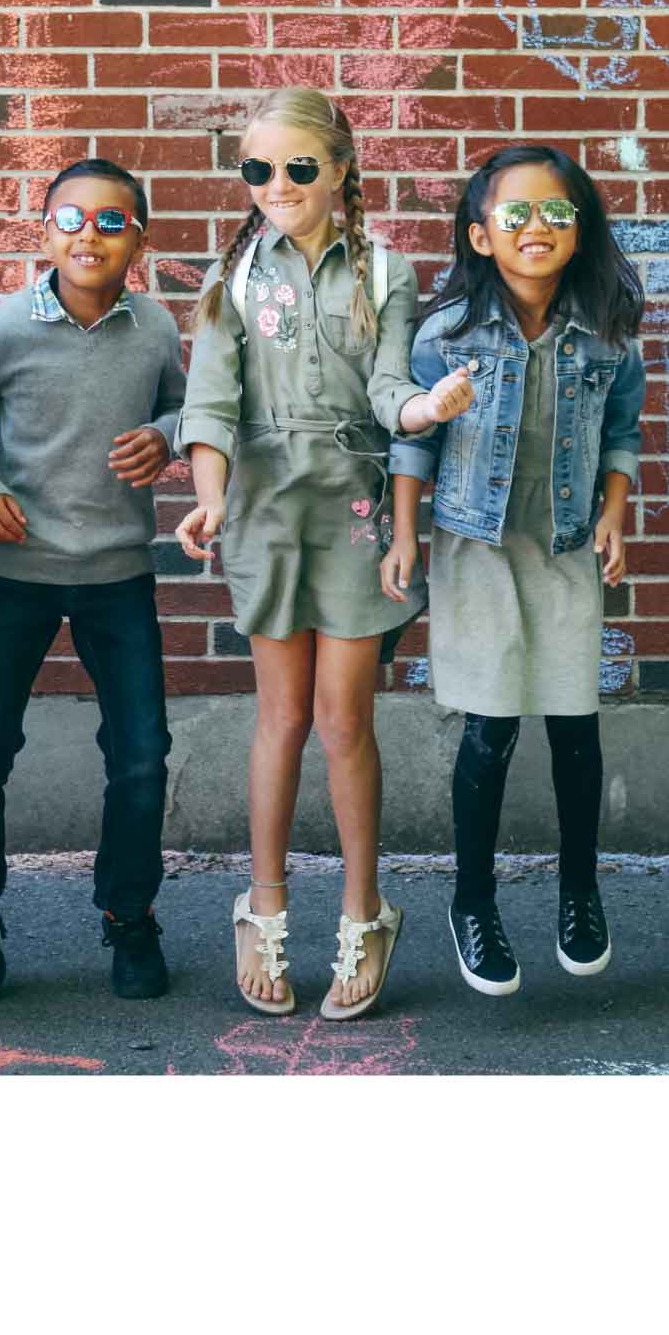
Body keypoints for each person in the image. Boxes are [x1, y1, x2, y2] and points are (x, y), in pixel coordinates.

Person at [174, 90, 432, 1019]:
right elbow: (209, 402)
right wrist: (210, 502)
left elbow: (396, 387)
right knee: (280, 717)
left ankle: (367, 906)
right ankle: (264, 903)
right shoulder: (234, 275)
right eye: (257, 170)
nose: (275, 185)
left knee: (343, 720)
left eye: (296, 168)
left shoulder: (387, 271)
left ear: (340, 170)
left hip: (356, 504)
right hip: (266, 506)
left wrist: (414, 480)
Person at [0, 159, 187, 1001]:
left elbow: (193, 407)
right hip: (20, 573)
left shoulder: (154, 329)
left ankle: (129, 917)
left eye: (112, 223)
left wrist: (167, 434)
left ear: (139, 241)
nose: (89, 236)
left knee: (142, 755)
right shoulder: (5, 328)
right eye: (71, 219)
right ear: (45, 232)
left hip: (119, 574)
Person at [390, 147, 645, 995]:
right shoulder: (447, 334)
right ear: (480, 234)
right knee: (492, 722)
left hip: (567, 534)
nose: (538, 228)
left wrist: (614, 509)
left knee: (575, 718)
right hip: (479, 541)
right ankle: (474, 901)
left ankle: (580, 890)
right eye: (516, 215)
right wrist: (402, 539)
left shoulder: (607, 330)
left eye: (558, 214)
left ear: (581, 231)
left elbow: (622, 430)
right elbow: (413, 441)